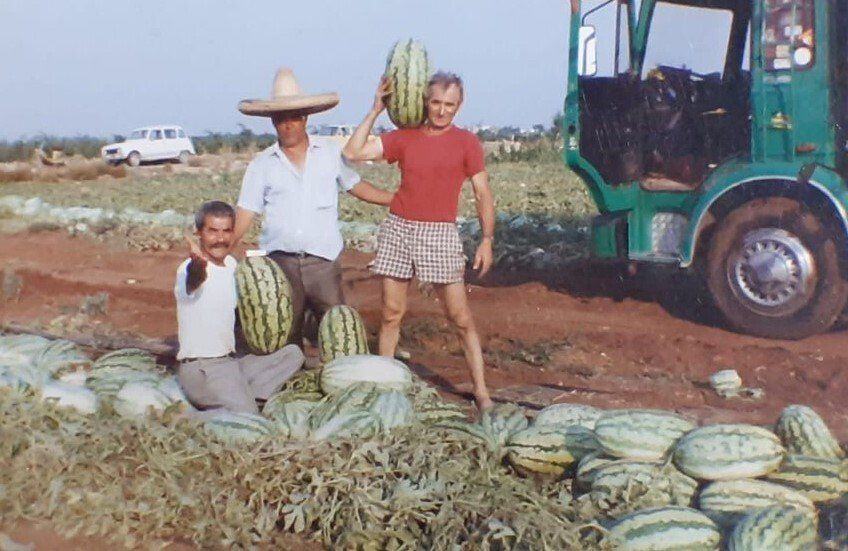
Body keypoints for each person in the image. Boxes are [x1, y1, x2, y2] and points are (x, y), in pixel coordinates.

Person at [344, 71, 495, 410]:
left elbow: (483, 193)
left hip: (439, 233)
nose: (442, 111)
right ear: (426, 101)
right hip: (399, 227)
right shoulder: (404, 137)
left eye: (450, 105)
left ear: (460, 105)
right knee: (391, 313)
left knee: (459, 317)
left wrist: (487, 239)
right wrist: (375, 110)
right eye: (437, 103)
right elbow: (353, 153)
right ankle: (384, 390)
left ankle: (481, 392)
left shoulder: (467, 142)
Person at [233, 67, 393, 347]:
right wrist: (219, 248)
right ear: (272, 121)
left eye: (294, 118)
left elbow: (356, 186)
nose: (288, 125)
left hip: (323, 262)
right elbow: (246, 211)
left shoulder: (330, 152)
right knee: (285, 336)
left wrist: (397, 199)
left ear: (305, 118)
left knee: (337, 333)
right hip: (280, 264)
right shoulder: (262, 164)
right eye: (281, 119)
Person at [175, 200, 305, 415]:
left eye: (226, 231)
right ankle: (207, 414)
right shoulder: (188, 269)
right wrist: (197, 266)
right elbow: (193, 282)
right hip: (204, 368)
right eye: (213, 231)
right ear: (199, 233)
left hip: (230, 363)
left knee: (292, 354)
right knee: (248, 420)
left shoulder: (232, 265)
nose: (220, 238)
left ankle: (240, 399)